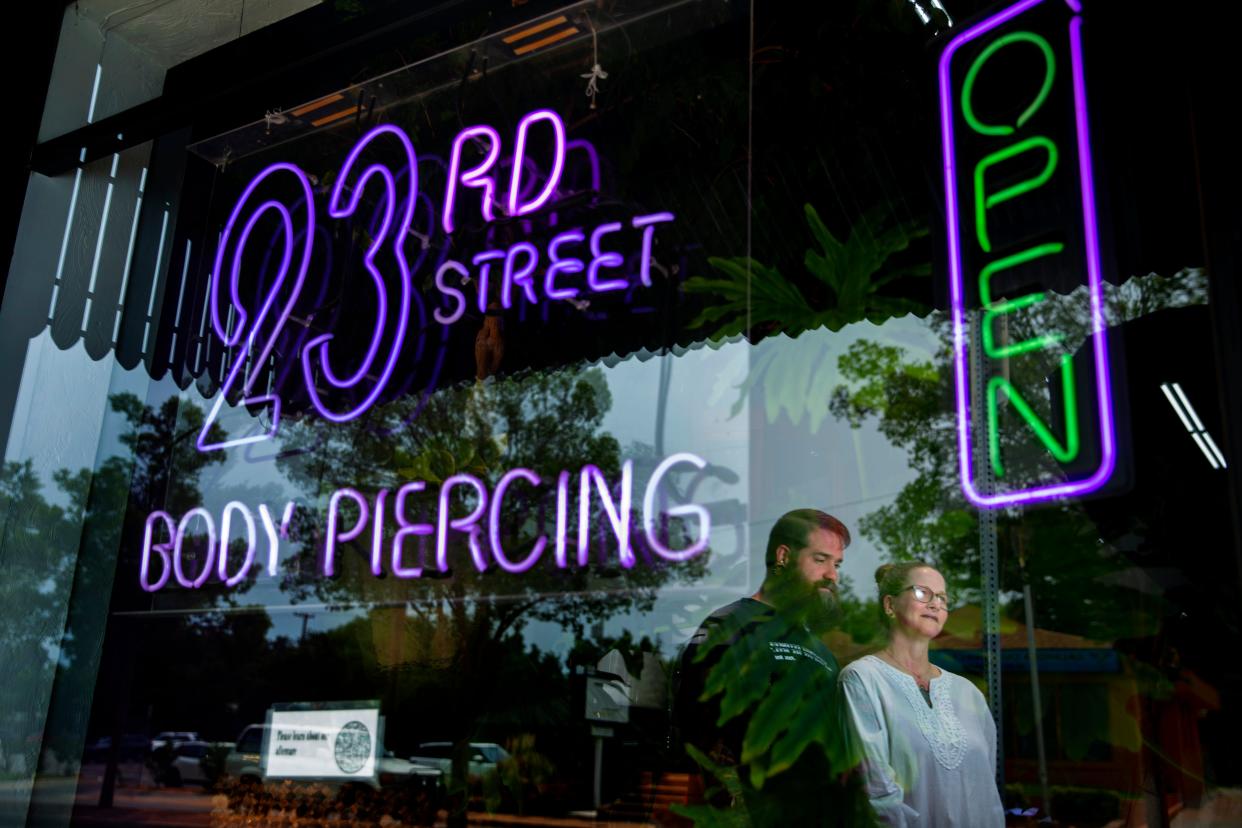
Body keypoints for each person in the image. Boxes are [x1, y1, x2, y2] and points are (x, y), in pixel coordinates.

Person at [672, 509, 872, 826]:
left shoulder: (819, 648)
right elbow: (702, 743)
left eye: (837, 564)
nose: (833, 575)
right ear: (783, 556)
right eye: (821, 560)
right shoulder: (731, 627)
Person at [840, 561, 1005, 827]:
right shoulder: (862, 679)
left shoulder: (968, 693)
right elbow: (875, 793)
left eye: (942, 597)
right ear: (890, 605)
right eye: (922, 593)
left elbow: (987, 790)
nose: (936, 604)